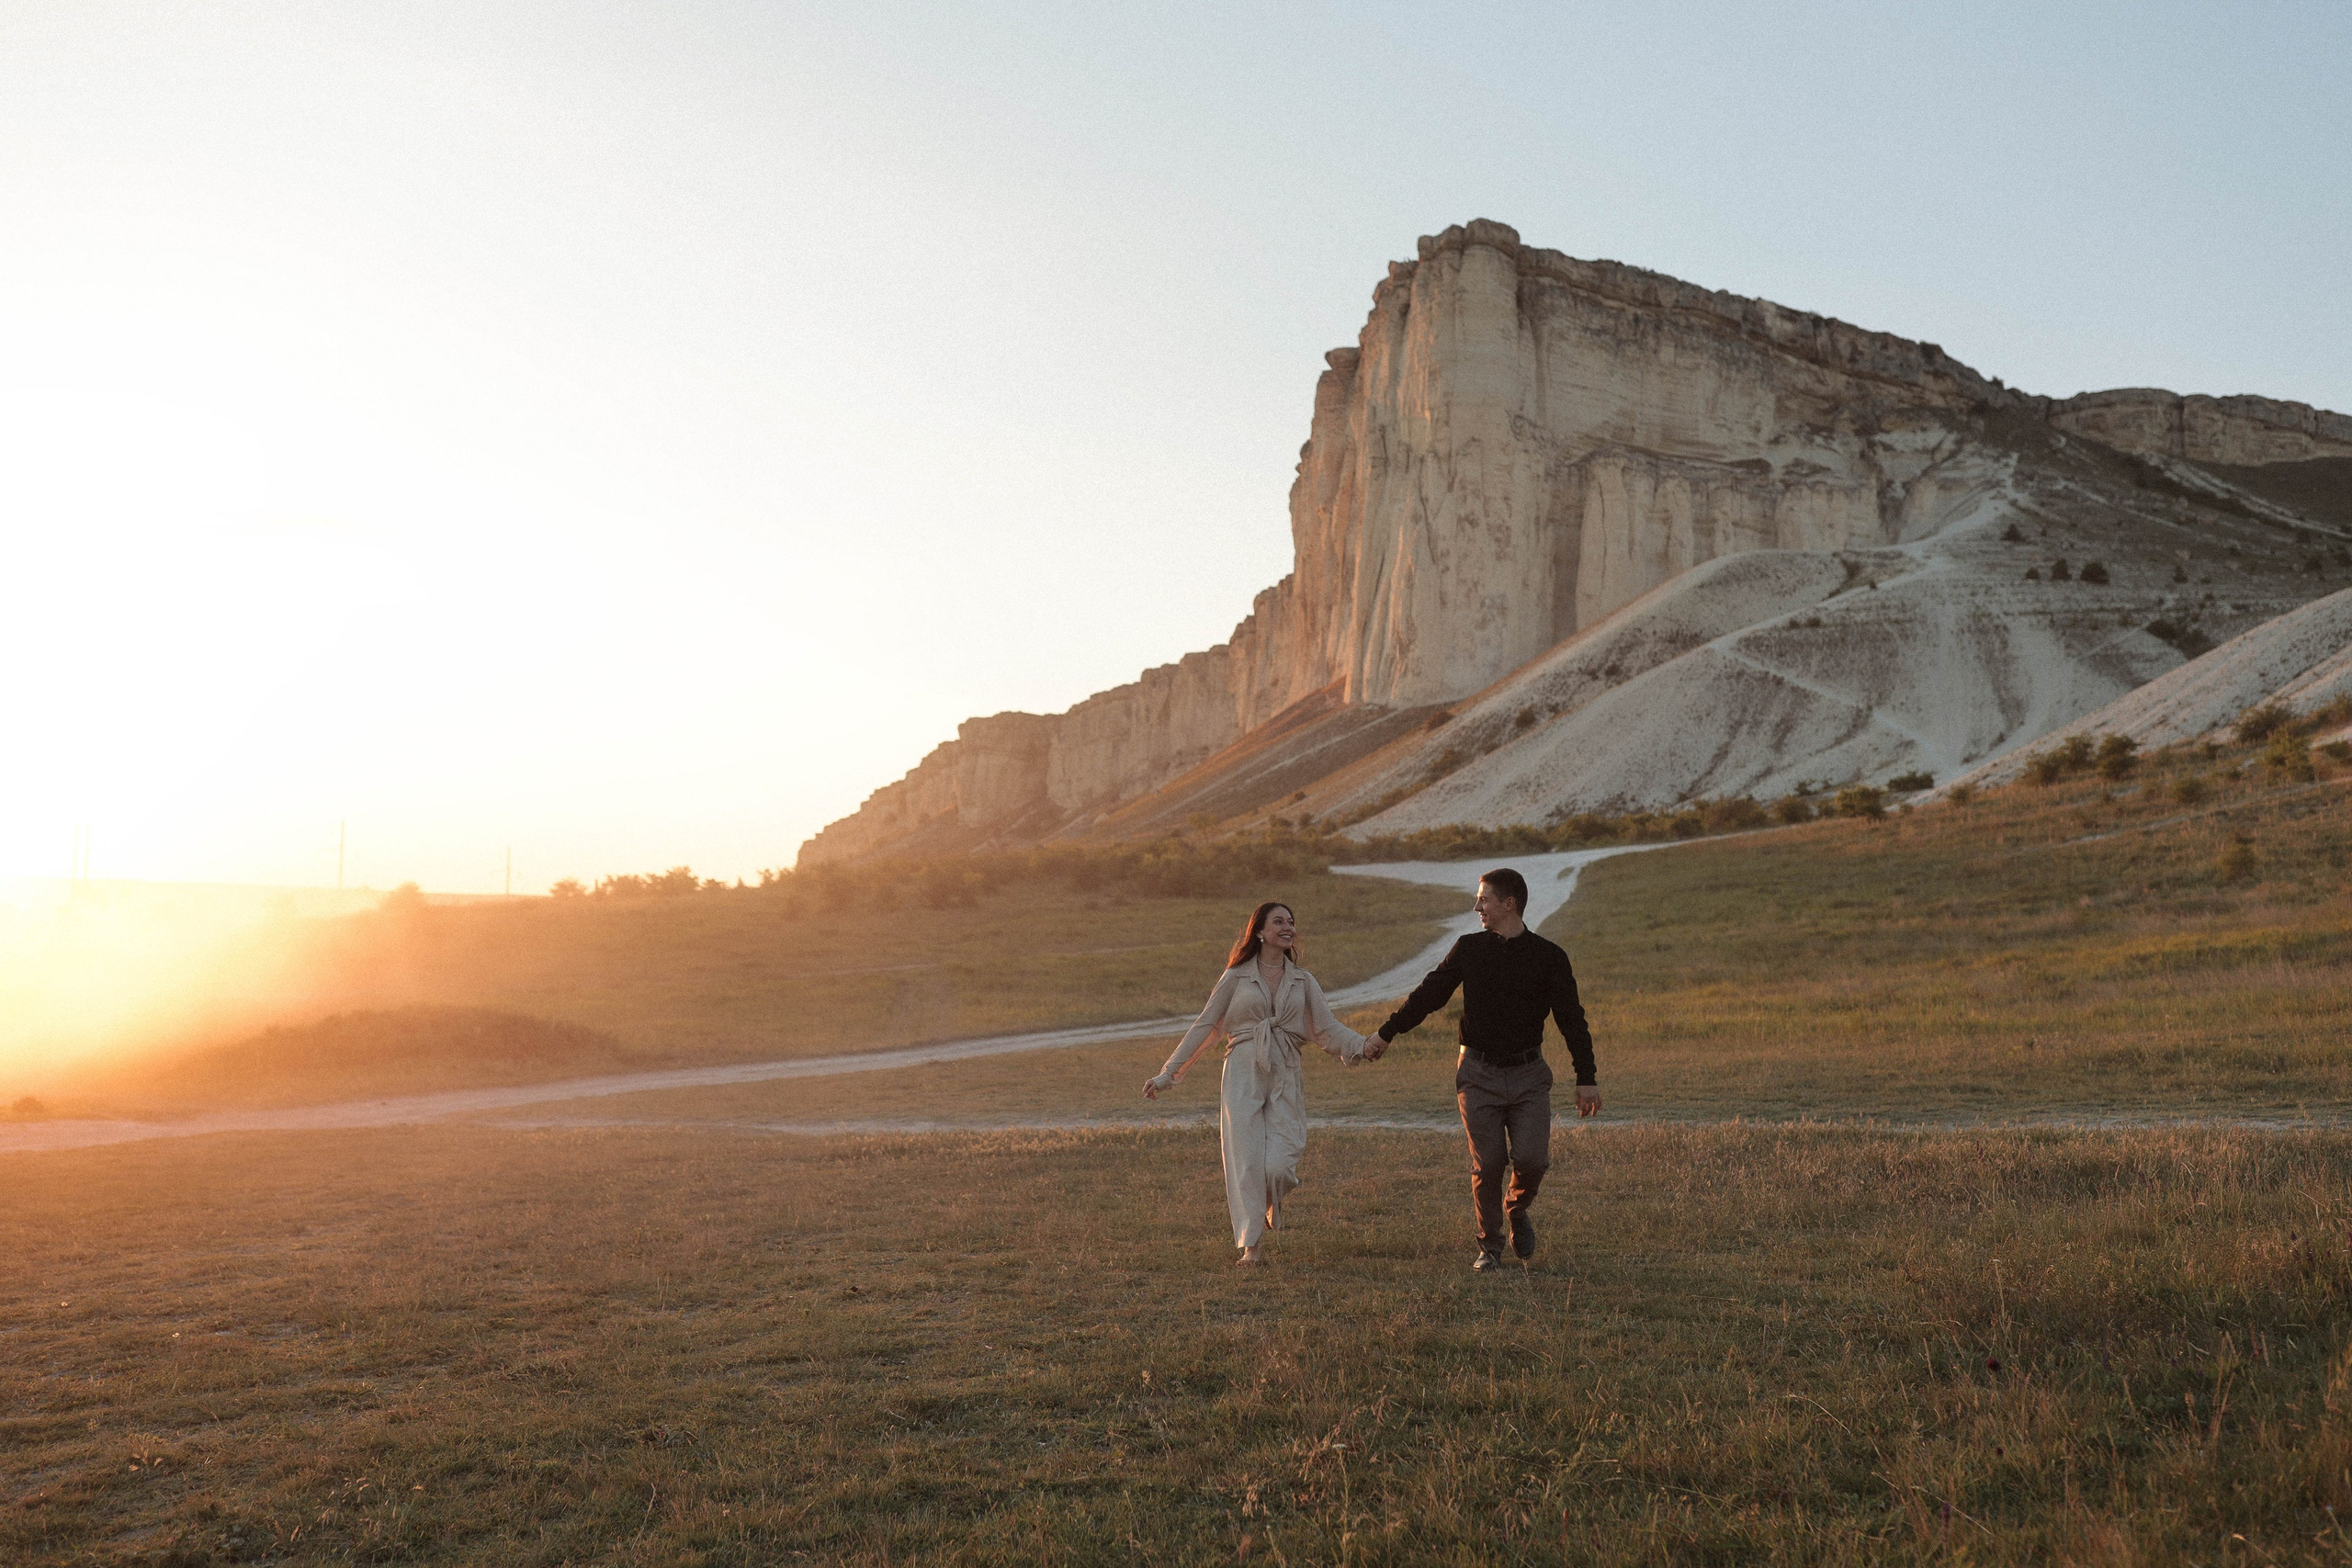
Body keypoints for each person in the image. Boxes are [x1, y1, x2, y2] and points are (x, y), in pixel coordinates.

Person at [1363, 866, 1599, 1270]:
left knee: (1532, 1160)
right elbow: (1430, 994)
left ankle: (1517, 1207)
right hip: (1478, 1072)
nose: (1477, 907)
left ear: (1509, 904)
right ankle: (1490, 1247)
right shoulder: (1469, 949)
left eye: (1484, 899)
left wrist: (1586, 1077)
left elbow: (1571, 1020)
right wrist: (1387, 1032)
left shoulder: (1549, 957)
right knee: (1488, 1163)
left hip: (1528, 1074)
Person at [1143, 900, 1369, 1266]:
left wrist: (1361, 1045)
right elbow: (1206, 1025)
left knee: (1280, 1163)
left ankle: (1264, 1204)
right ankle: (1252, 1247)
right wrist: (1169, 1074)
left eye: (1291, 922)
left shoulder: (1303, 980)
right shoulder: (1236, 977)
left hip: (1286, 1069)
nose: (1287, 927)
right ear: (1260, 931)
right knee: (1246, 1160)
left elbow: (1326, 1029)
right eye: (1278, 921)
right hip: (1243, 1068)